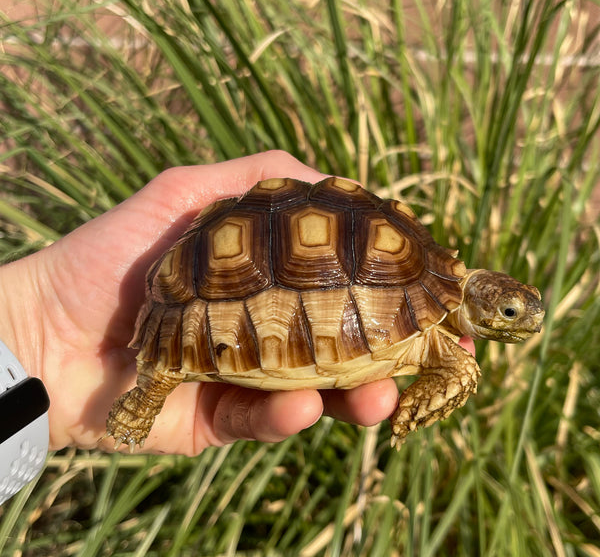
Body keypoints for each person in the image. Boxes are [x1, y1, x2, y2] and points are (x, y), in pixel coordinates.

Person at [0, 151, 474, 455]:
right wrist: (37, 324)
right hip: (224, 286)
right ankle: (150, 390)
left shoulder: (434, 332)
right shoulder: (434, 327)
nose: (516, 325)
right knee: (449, 374)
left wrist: (28, 338)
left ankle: (147, 386)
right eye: (510, 314)